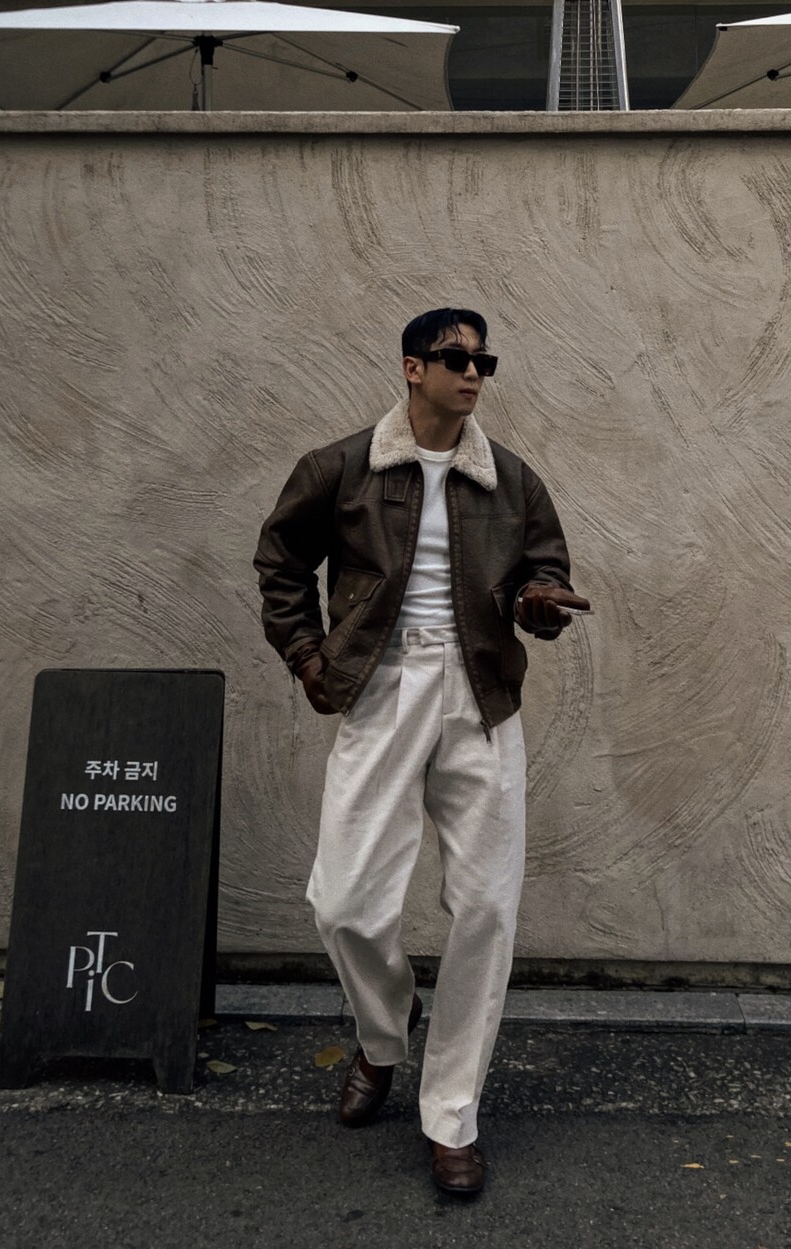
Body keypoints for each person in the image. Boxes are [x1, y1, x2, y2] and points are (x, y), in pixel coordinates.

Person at [254, 308, 589, 1197]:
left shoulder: (511, 478)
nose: (473, 373)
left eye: (483, 360)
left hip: (482, 695)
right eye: (455, 357)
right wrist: (306, 654)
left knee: (485, 909)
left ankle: (452, 1115)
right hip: (381, 684)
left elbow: (543, 568)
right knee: (343, 902)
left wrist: (540, 601)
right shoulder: (342, 467)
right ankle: (385, 1028)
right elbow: (280, 562)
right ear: (412, 367)